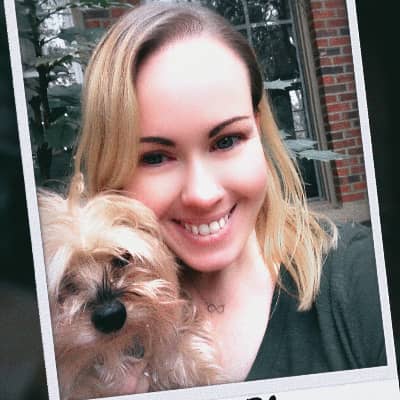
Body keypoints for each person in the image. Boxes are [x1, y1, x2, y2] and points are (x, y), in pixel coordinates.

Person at [69, 1, 386, 386]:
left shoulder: (364, 279)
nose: (203, 195)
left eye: (226, 141)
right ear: (110, 166)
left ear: (258, 130)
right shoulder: (75, 333)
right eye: (154, 157)